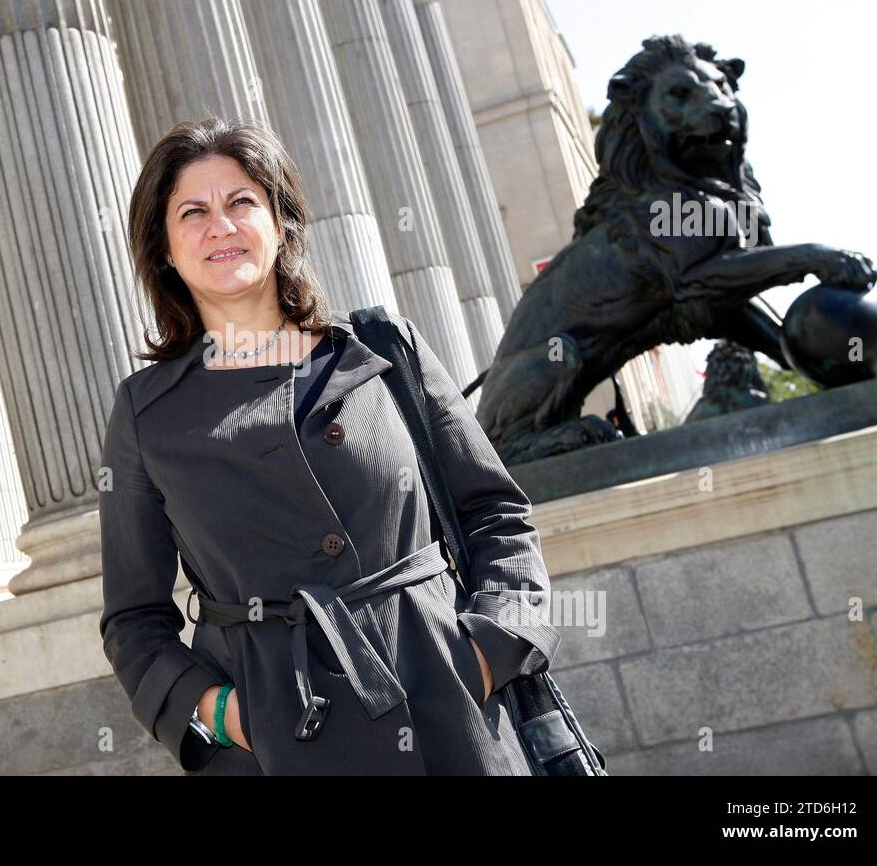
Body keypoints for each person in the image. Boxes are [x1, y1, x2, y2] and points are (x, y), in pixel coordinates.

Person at [98, 118, 560, 775]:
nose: (220, 226)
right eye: (193, 212)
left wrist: (488, 649)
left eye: (241, 202)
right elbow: (134, 618)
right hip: (285, 739)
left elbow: (496, 513)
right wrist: (224, 713)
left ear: (281, 222)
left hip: (451, 710)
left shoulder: (383, 349)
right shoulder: (147, 414)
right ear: (165, 248)